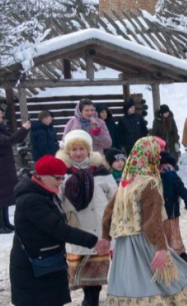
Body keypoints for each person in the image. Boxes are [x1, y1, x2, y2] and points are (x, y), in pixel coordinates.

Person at [101, 137, 187, 304]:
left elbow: (108, 211)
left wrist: (106, 236)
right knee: (171, 279)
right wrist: (161, 247)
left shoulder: (126, 182)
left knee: (129, 283)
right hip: (143, 241)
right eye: (156, 154)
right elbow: (152, 220)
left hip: (123, 244)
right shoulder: (148, 184)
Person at [10, 155, 109, 306]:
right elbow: (58, 229)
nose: (61, 182)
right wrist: (93, 241)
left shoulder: (45, 193)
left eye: (62, 178)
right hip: (33, 267)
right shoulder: (31, 200)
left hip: (46, 261)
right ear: (42, 176)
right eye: (57, 178)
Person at [57, 129, 117, 305]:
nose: (78, 153)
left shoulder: (100, 171)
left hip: (98, 226)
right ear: (68, 152)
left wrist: (112, 217)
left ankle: (92, 298)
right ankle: (88, 296)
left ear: (88, 150)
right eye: (74, 149)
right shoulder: (64, 172)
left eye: (81, 149)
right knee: (81, 266)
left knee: (96, 266)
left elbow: (114, 196)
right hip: (75, 226)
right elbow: (57, 197)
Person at [158, 152, 187, 267]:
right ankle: (183, 260)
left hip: (161, 212)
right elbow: (182, 189)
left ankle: (176, 261)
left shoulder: (154, 173)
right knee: (174, 236)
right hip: (172, 211)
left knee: (164, 237)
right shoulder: (171, 173)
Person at [0, 107, 29, 234]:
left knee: (5, 196)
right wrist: (23, 129)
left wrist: (24, 131)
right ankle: (1, 225)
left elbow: (13, 139)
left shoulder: (1, 128)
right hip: (1, 167)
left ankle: (5, 222)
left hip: (5, 166)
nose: (1, 117)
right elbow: (8, 141)